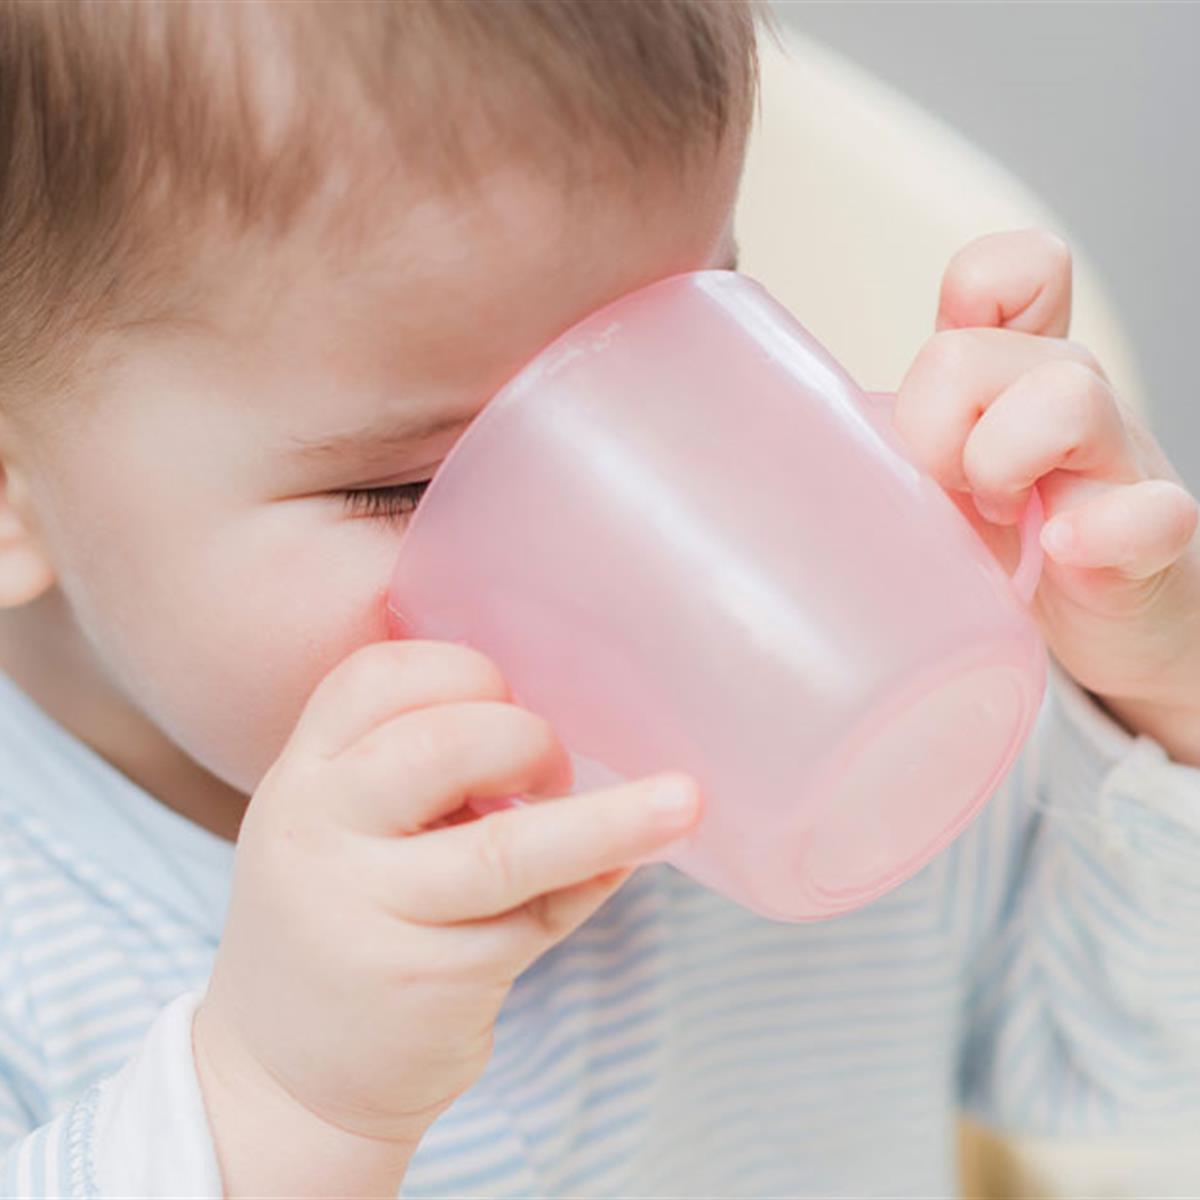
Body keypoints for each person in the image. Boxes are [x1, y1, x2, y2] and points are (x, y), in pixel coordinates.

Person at [1, 1, 1197, 1195]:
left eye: (683, 352)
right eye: (413, 486)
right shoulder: (34, 950)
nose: (633, 527)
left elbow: (1130, 1070)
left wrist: (1155, 693)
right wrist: (280, 1105)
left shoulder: (793, 684)